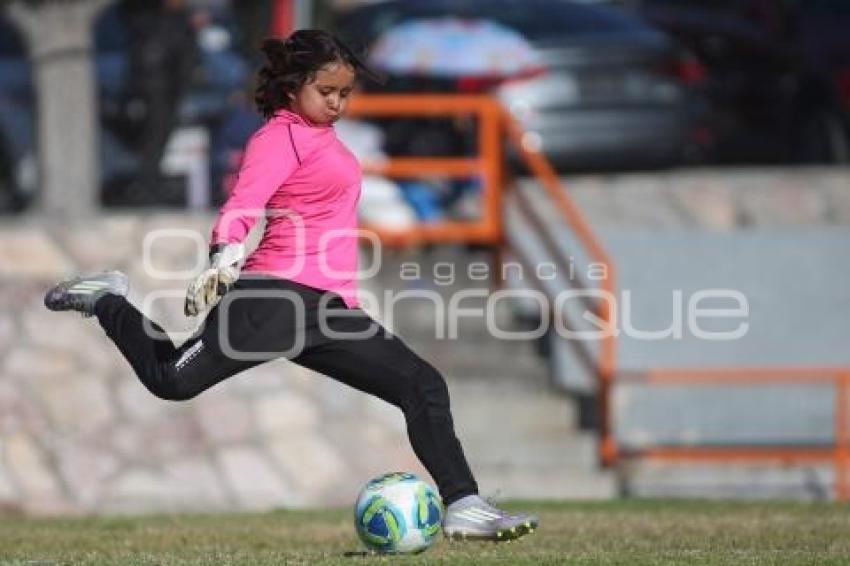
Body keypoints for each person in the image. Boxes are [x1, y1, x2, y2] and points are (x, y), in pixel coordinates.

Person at [44, 29, 538, 542]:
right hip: (272, 298)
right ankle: (106, 298)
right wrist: (224, 254)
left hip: (327, 309)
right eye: (326, 91)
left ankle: (464, 504)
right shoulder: (277, 137)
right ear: (291, 87)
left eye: (345, 93)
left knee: (422, 384)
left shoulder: (325, 138)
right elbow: (243, 203)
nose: (338, 102)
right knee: (171, 381)